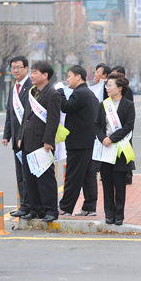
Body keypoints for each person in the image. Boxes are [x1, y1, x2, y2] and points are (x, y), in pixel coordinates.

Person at [18, 61, 61, 222]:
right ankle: (36, 209)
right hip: (28, 141)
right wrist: (21, 136)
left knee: (45, 178)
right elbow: (25, 117)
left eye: (35, 72)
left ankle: (50, 210)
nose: (32, 75)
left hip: (42, 143)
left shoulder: (52, 94)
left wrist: (48, 141)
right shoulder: (32, 92)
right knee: (30, 178)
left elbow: (53, 120)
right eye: (32, 72)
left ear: (45, 75)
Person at [94, 73, 136, 226]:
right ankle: (109, 214)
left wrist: (112, 138)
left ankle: (119, 215)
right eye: (107, 85)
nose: (107, 88)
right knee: (106, 184)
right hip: (105, 149)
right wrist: (103, 138)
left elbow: (128, 126)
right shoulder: (103, 104)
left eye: (110, 85)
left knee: (119, 185)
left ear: (120, 88)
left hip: (120, 149)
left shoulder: (129, 105)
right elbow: (97, 125)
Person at [57, 65, 99, 217]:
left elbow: (66, 106)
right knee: (88, 175)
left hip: (78, 143)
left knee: (73, 175)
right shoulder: (88, 93)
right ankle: (90, 206)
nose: (67, 80)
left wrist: (60, 93)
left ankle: (65, 207)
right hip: (86, 142)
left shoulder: (80, 93)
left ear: (78, 77)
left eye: (69, 76)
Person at [2, 56, 32, 217]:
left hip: (29, 139)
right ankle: (24, 205)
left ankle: (31, 206)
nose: (15, 70)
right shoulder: (14, 88)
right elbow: (10, 114)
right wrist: (6, 135)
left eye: (18, 67)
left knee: (29, 175)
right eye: (13, 67)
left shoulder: (31, 86)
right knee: (20, 175)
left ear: (26, 68)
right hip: (16, 139)